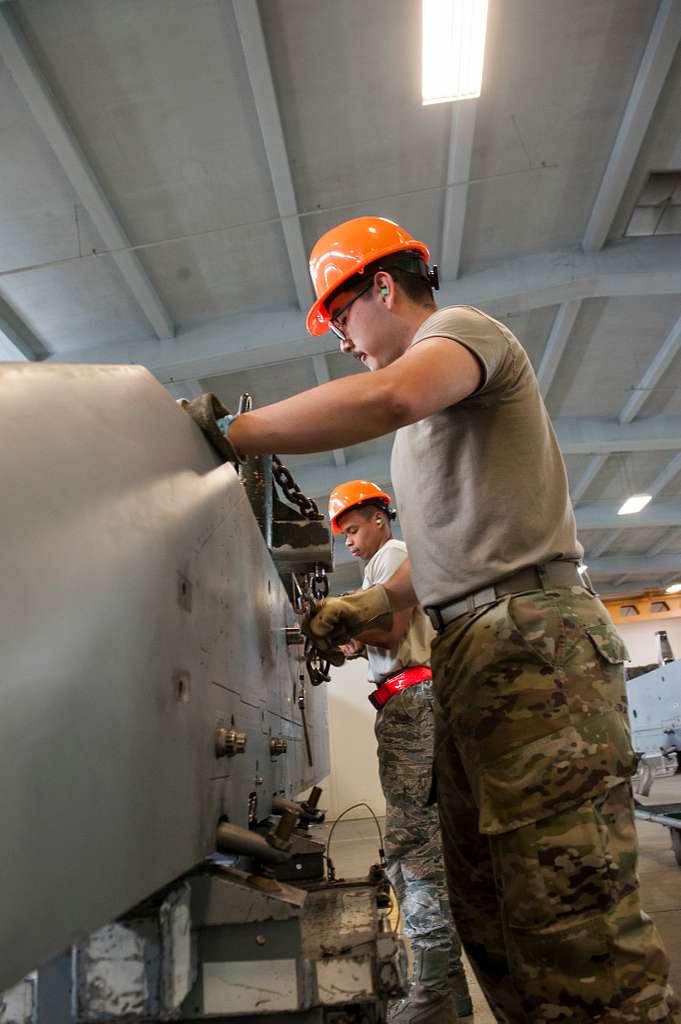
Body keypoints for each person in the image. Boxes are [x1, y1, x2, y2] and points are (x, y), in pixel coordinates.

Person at [216, 216, 680, 1023]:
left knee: (570, 914)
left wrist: (233, 434)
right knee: (490, 904)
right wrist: (373, 602)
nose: (341, 343)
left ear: (383, 288)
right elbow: (440, 561)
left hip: (534, 645)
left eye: (338, 318)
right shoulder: (422, 435)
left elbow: (388, 392)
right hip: (475, 650)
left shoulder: (462, 337)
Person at [329, 479, 472, 1023]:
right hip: (408, 701)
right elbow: (383, 631)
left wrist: (347, 624)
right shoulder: (382, 563)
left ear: (379, 519)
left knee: (413, 850)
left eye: (352, 528)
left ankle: (432, 995)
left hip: (412, 701)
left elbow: (390, 632)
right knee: (420, 846)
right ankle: (451, 997)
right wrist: (351, 635)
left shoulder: (392, 555)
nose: (349, 540)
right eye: (343, 533)